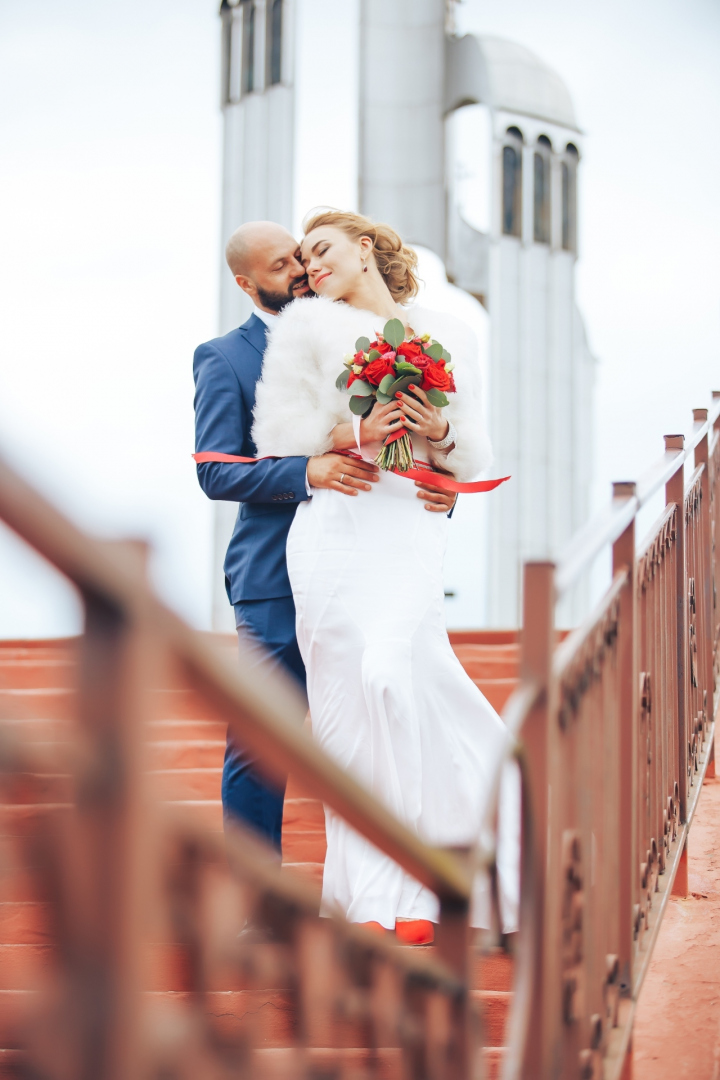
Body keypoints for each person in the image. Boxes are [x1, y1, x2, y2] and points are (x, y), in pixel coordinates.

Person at [252, 210, 518, 943]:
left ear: (364, 247)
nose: (310, 268)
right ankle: (372, 896)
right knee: (345, 709)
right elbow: (278, 436)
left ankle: (440, 875)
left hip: (407, 520)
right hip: (335, 525)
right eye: (301, 262)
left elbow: (474, 449)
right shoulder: (303, 329)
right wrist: (355, 432)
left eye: (322, 250)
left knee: (390, 675)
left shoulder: (449, 331)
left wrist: (437, 435)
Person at [192, 221, 458, 856]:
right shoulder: (225, 357)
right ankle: (259, 907)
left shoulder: (360, 335)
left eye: (303, 257)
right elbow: (214, 469)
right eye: (281, 265)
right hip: (274, 578)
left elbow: (409, 438)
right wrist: (306, 471)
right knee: (265, 738)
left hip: (368, 564)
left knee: (386, 720)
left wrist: (440, 487)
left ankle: (401, 883)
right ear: (246, 282)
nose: (302, 272)